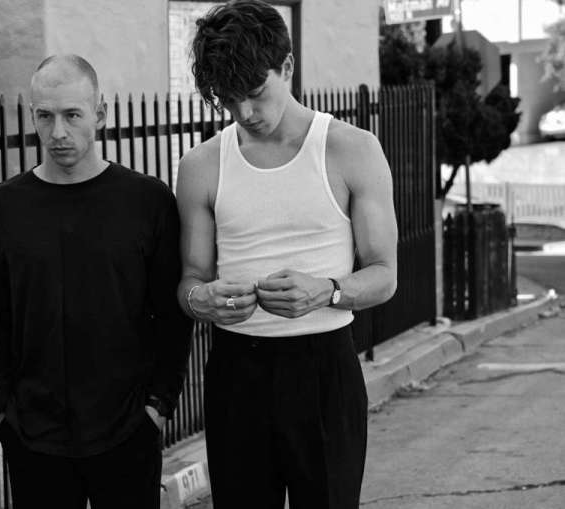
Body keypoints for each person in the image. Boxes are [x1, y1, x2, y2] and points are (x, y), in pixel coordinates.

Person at [176, 2, 399, 508]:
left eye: (255, 93)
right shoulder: (201, 165)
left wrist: (328, 291)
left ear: (288, 66)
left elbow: (385, 274)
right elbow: (191, 278)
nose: (244, 113)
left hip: (324, 369)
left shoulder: (351, 149)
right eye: (228, 100)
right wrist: (199, 300)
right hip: (236, 369)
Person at [0, 54, 192, 509]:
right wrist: (0, 414)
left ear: (100, 114)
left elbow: (171, 316)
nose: (58, 132)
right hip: (32, 436)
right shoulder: (0, 208)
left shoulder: (147, 201)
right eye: (45, 116)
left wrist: (158, 406)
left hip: (128, 430)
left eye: (72, 115)